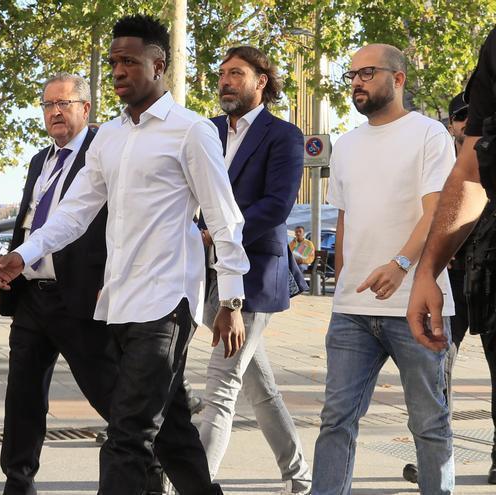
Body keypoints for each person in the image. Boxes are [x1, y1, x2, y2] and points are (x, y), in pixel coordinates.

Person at [0, 14, 248, 495]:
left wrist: (231, 303)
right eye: (113, 62)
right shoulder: (108, 136)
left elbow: (224, 219)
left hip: (168, 303)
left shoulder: (191, 131)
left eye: (130, 61)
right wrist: (23, 256)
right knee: (169, 427)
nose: (119, 71)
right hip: (116, 303)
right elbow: (72, 213)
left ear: (159, 64)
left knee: (127, 436)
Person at [311, 44, 455, 495]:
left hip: (417, 301)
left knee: (429, 423)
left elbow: (436, 212)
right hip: (351, 311)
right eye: (352, 74)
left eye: (367, 73)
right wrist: (340, 282)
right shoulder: (348, 145)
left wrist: (401, 264)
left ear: (398, 79)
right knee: (336, 419)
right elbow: (344, 218)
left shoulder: (429, 134)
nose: (356, 81)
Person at [195, 45, 311, 495]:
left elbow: (278, 206)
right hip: (206, 272)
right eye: (222, 73)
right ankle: (300, 476)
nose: (225, 81)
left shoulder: (282, 135)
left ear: (261, 81)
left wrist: (218, 234)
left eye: (236, 73)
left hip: (253, 274)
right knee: (259, 389)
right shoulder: (206, 131)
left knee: (221, 386)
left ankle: (195, 485)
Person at [408, 27, 496, 484]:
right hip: (475, 274)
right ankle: (436, 458)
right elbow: (471, 170)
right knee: (440, 361)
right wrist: (428, 272)